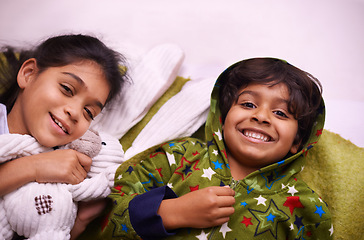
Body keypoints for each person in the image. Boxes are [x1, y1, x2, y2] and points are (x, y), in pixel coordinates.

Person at [99, 58, 333, 239]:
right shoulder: (178, 156)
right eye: (248, 104)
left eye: (280, 113)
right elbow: (107, 219)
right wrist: (172, 212)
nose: (261, 116)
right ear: (222, 118)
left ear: (297, 142)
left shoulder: (304, 206)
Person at [0, 34, 128, 239]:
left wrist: (78, 223)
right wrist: (35, 167)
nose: (76, 113)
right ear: (29, 74)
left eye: (89, 112)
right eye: (67, 89)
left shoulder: (65, 174)